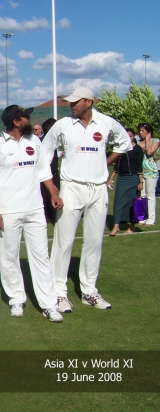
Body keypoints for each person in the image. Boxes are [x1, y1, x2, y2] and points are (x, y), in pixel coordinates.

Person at [42, 86, 131, 311]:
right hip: (71, 187)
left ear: (89, 102)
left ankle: (89, 290)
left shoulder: (107, 123)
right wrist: (53, 190)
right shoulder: (63, 125)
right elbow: (45, 154)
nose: (72, 105)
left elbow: (125, 144)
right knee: (64, 242)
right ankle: (59, 293)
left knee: (94, 241)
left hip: (99, 187)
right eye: (70, 102)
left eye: (76, 102)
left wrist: (106, 162)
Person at [0, 105, 64, 322]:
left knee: (41, 257)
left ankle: (49, 304)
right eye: (25, 117)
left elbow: (43, 172)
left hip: (35, 208)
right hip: (8, 211)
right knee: (9, 257)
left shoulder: (34, 142)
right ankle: (16, 299)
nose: (29, 119)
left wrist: (53, 193)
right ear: (16, 121)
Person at [108, 129, 143, 235]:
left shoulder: (137, 149)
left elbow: (138, 166)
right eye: (127, 136)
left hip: (133, 178)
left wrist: (141, 182)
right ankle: (116, 226)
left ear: (134, 137)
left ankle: (132, 227)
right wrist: (111, 178)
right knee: (118, 202)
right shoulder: (120, 148)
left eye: (131, 136)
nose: (129, 138)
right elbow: (117, 165)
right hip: (122, 178)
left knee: (132, 203)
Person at [137, 123, 159, 226]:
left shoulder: (155, 141)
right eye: (140, 131)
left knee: (150, 195)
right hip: (140, 171)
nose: (140, 133)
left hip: (151, 171)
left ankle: (151, 219)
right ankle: (141, 217)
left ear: (149, 132)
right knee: (142, 194)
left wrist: (147, 141)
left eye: (143, 131)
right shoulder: (137, 141)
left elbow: (149, 152)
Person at [40, 118, 59, 223]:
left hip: (52, 173)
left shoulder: (55, 142)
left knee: (47, 196)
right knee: (48, 196)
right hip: (49, 174)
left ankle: (50, 216)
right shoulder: (44, 143)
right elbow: (45, 163)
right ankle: (51, 217)